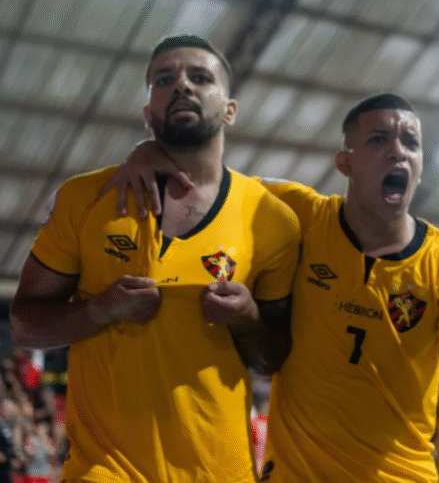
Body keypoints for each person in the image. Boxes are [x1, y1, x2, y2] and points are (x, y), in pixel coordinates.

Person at [102, 92, 439, 482]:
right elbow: (205, 182)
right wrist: (146, 152)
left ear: (420, 168)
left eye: (411, 143)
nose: (398, 152)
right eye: (379, 140)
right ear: (346, 163)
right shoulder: (298, 213)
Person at [9, 34, 301, 483]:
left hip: (219, 471)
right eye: (164, 79)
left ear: (230, 109)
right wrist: (101, 310)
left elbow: (272, 359)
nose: (181, 85)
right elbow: (25, 324)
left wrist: (246, 318)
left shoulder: (271, 218)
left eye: (200, 77)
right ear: (148, 114)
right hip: (105, 470)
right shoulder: (85, 198)